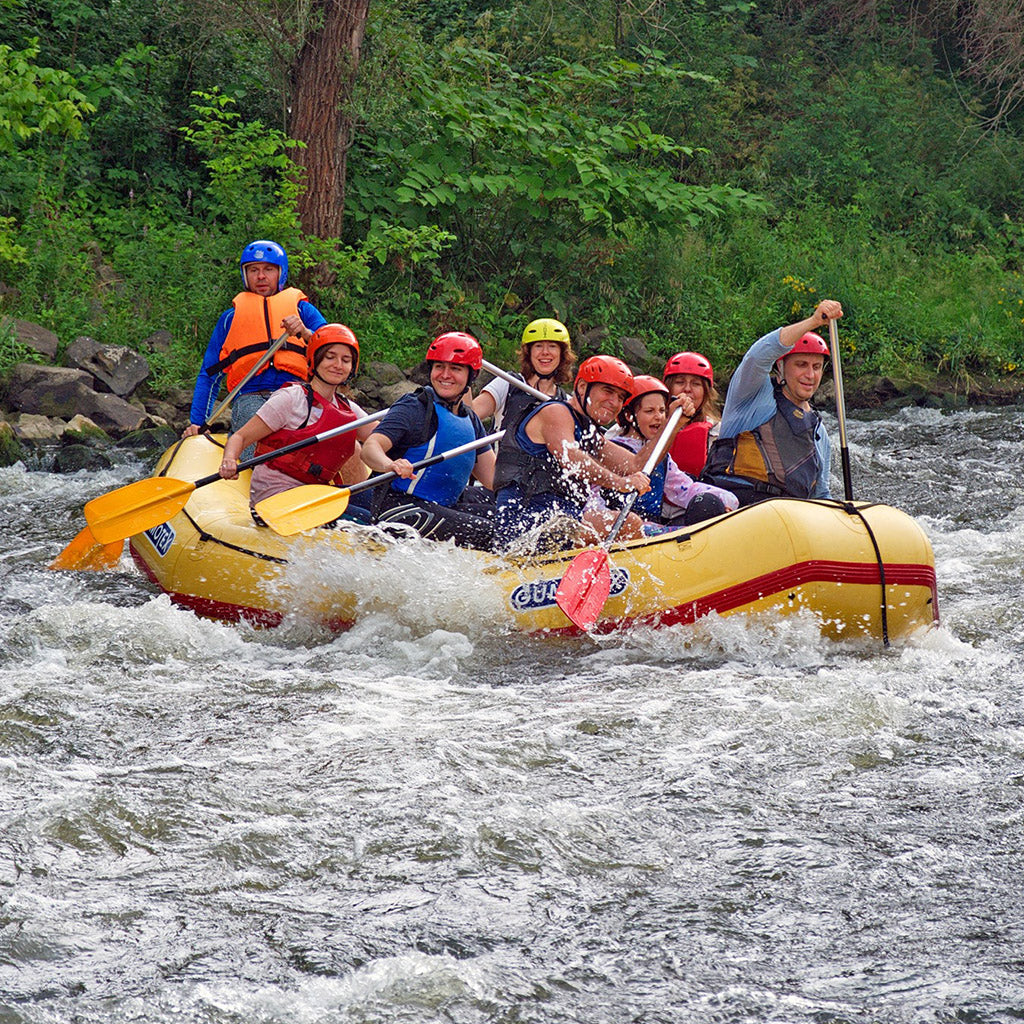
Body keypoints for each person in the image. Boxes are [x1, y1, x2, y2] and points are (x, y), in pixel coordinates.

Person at [492, 355, 685, 549]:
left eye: (620, 397)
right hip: (524, 527)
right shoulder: (555, 412)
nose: (614, 402)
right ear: (583, 387)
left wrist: (674, 424)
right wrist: (620, 483)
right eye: (608, 391)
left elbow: (636, 465)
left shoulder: (588, 432)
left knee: (624, 522)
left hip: (561, 522)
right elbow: (570, 457)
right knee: (629, 523)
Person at [217, 324, 376, 518]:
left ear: (352, 367)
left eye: (346, 360)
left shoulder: (346, 408)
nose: (338, 365)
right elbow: (240, 437)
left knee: (378, 506)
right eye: (330, 357)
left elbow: (382, 435)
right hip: (276, 498)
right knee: (367, 520)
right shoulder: (291, 398)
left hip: (312, 494)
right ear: (315, 360)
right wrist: (229, 460)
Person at [359, 332, 496, 549]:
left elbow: (494, 480)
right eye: (439, 367)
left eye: (456, 369)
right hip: (400, 508)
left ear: (470, 376)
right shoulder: (414, 408)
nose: (445, 375)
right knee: (491, 532)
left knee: (508, 512)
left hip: (443, 505)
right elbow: (370, 448)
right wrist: (390, 464)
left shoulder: (470, 419)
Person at [183, 240, 327, 445]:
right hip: (252, 398)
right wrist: (197, 422)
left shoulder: (304, 311)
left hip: (297, 395)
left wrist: (305, 333)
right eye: (253, 270)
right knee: (261, 445)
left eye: (268, 269)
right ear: (245, 275)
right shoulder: (229, 319)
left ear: (280, 273)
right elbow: (210, 374)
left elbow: (333, 348)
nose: (260, 276)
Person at [701, 300, 843, 506]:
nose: (810, 375)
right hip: (737, 502)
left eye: (817, 366)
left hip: (786, 514)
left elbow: (821, 495)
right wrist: (813, 322)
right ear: (781, 366)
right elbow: (757, 356)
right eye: (801, 365)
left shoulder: (818, 431)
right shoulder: (752, 395)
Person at [590, 375, 738, 532]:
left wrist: (727, 500)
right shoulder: (611, 450)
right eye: (649, 411)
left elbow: (685, 490)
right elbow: (592, 501)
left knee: (707, 504)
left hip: (653, 528)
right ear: (628, 416)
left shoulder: (661, 457)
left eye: (662, 411)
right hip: (621, 530)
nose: (659, 417)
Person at [472, 317, 576, 432]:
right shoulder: (507, 384)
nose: (545, 352)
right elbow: (469, 418)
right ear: (529, 352)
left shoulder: (567, 403)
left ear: (562, 354)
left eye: (552, 346)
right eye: (538, 346)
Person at [662, 350, 721, 477]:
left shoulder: (717, 431)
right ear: (668, 388)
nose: (687, 389)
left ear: (705, 392)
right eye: (679, 382)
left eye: (696, 384)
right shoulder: (648, 422)